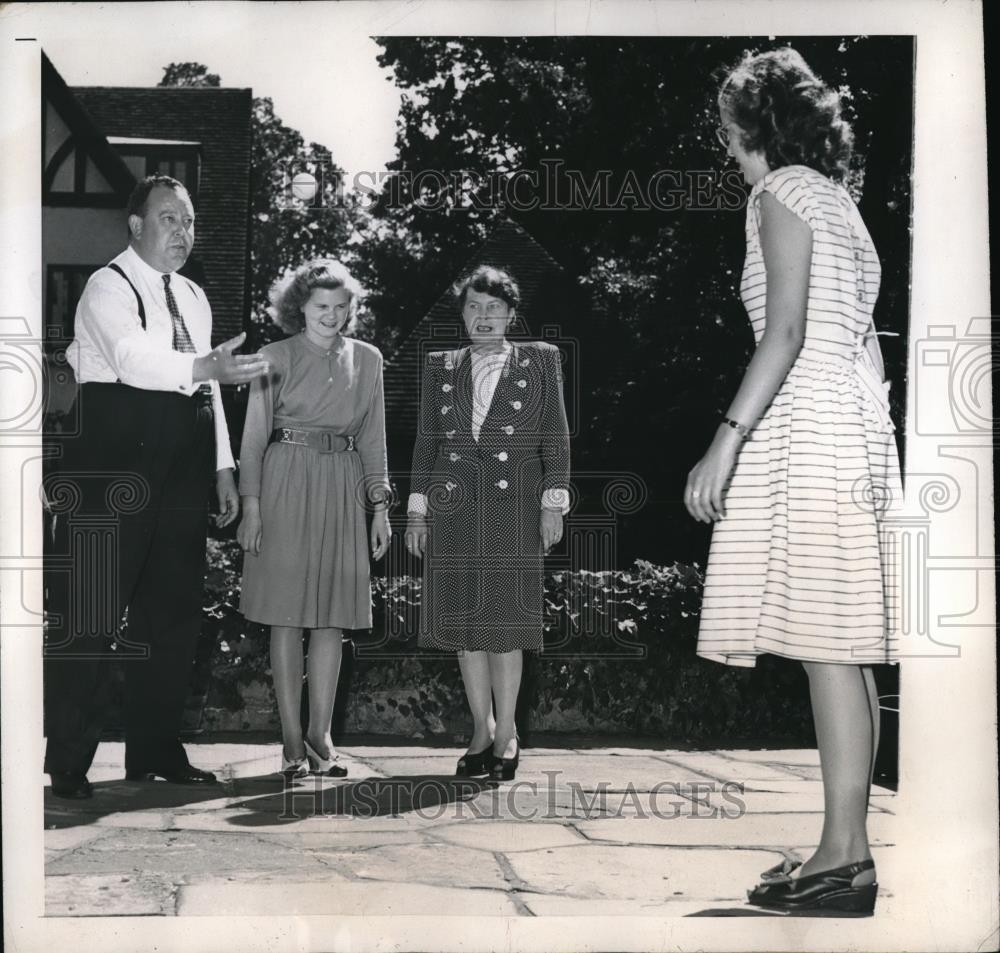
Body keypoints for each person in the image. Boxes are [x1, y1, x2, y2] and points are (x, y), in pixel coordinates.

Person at [686, 49, 903, 915]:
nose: (723, 134)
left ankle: (840, 859)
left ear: (747, 124)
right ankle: (844, 853)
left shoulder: (777, 194)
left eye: (726, 120)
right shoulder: (841, 202)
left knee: (826, 648)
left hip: (811, 428)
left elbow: (782, 333)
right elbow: (866, 343)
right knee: (844, 648)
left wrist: (725, 442)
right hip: (857, 426)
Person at [43, 174, 269, 799]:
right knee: (90, 610)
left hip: (183, 458)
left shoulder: (194, 295)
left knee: (170, 611)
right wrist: (204, 367)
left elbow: (209, 388)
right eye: (169, 219)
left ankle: (154, 748)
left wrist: (222, 465)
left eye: (189, 221)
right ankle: (68, 759)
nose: (183, 232)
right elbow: (133, 359)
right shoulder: (105, 286)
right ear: (136, 225)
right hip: (113, 455)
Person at [404, 265, 570, 782]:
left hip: (514, 507)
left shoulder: (540, 361)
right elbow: (426, 442)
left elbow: (556, 437)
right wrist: (416, 511)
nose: (483, 316)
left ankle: (508, 734)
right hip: (454, 506)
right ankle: (480, 729)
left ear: (510, 314)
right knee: (465, 629)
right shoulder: (440, 366)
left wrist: (552, 504)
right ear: (462, 312)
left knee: (506, 627)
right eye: (474, 306)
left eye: (493, 307)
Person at [237, 259, 390, 779]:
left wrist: (380, 507)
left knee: (332, 616)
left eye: (342, 307)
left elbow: (374, 439)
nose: (332, 315)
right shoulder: (271, 357)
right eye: (322, 306)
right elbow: (254, 438)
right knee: (286, 613)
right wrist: (251, 506)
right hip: (285, 483)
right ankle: (288, 738)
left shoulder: (368, 360)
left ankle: (320, 734)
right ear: (299, 306)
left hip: (344, 486)